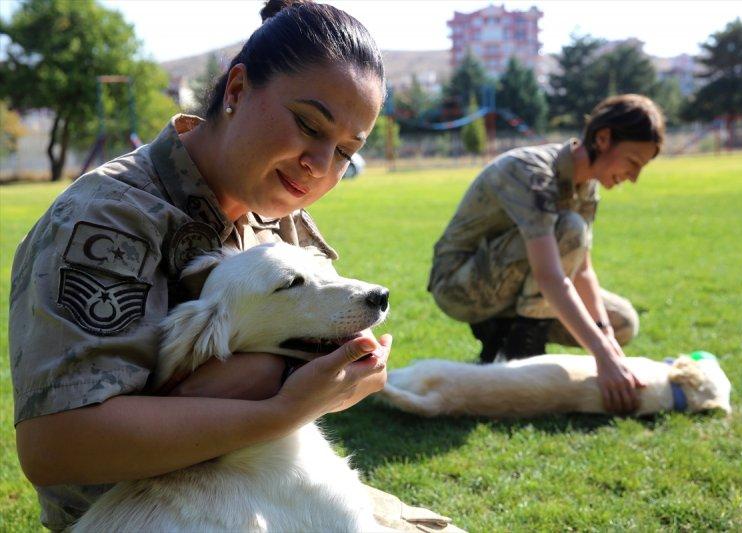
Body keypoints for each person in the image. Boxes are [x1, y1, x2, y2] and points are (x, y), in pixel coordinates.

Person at [9, 2, 455, 531]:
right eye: (308, 124)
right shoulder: (107, 219)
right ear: (238, 91)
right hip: (163, 513)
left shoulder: (274, 217)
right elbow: (59, 446)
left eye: (345, 152)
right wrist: (283, 403)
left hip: (271, 485)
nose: (320, 164)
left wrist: (319, 368)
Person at [428, 94, 665, 414]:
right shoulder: (533, 173)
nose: (634, 177)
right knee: (569, 228)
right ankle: (520, 353)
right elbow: (550, 276)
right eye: (633, 162)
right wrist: (602, 357)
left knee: (622, 323)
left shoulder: (587, 185)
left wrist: (607, 341)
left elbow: (582, 271)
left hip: (514, 284)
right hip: (459, 285)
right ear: (603, 138)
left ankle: (503, 340)